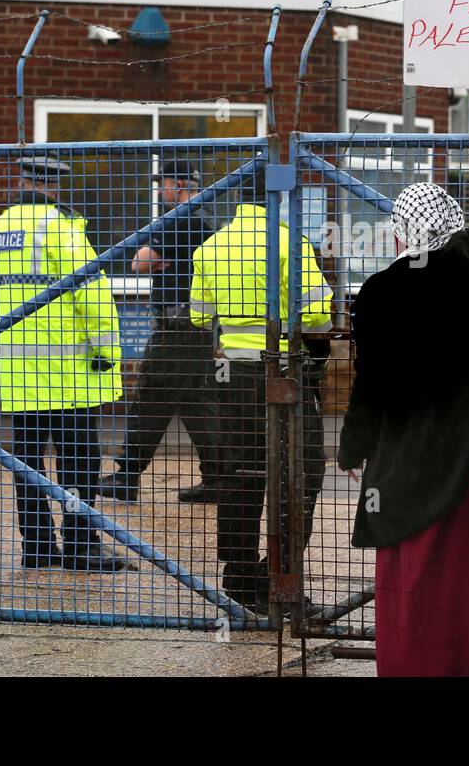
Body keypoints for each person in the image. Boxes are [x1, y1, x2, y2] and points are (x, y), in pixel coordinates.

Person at [336, 89, 469, 677]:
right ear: (453, 225)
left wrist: (353, 446)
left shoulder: (378, 294)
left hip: (411, 459)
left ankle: (418, 662)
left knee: (420, 574)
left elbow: (370, 386)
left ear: (404, 230)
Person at [0, 156, 133, 573]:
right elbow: (93, 296)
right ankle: (82, 546)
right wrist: (106, 353)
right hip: (69, 374)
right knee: (79, 461)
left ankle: (39, 548)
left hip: (17, 374)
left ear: (22, 180)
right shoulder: (61, 229)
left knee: (26, 462)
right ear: (55, 185)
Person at [189, 166, 332, 612]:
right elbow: (317, 316)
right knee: (300, 472)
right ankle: (281, 575)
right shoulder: (290, 242)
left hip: (233, 376)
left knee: (240, 476)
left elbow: (199, 316)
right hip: (283, 372)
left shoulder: (211, 246)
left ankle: (239, 575)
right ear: (280, 200)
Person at [98, 159, 222, 504]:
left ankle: (127, 476)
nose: (159, 189)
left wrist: (156, 255)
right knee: (199, 405)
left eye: (163, 182)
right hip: (199, 329)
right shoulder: (205, 222)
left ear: (179, 183)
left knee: (151, 398)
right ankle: (219, 478)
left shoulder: (178, 221)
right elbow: (149, 259)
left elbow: (139, 262)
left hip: (174, 330)